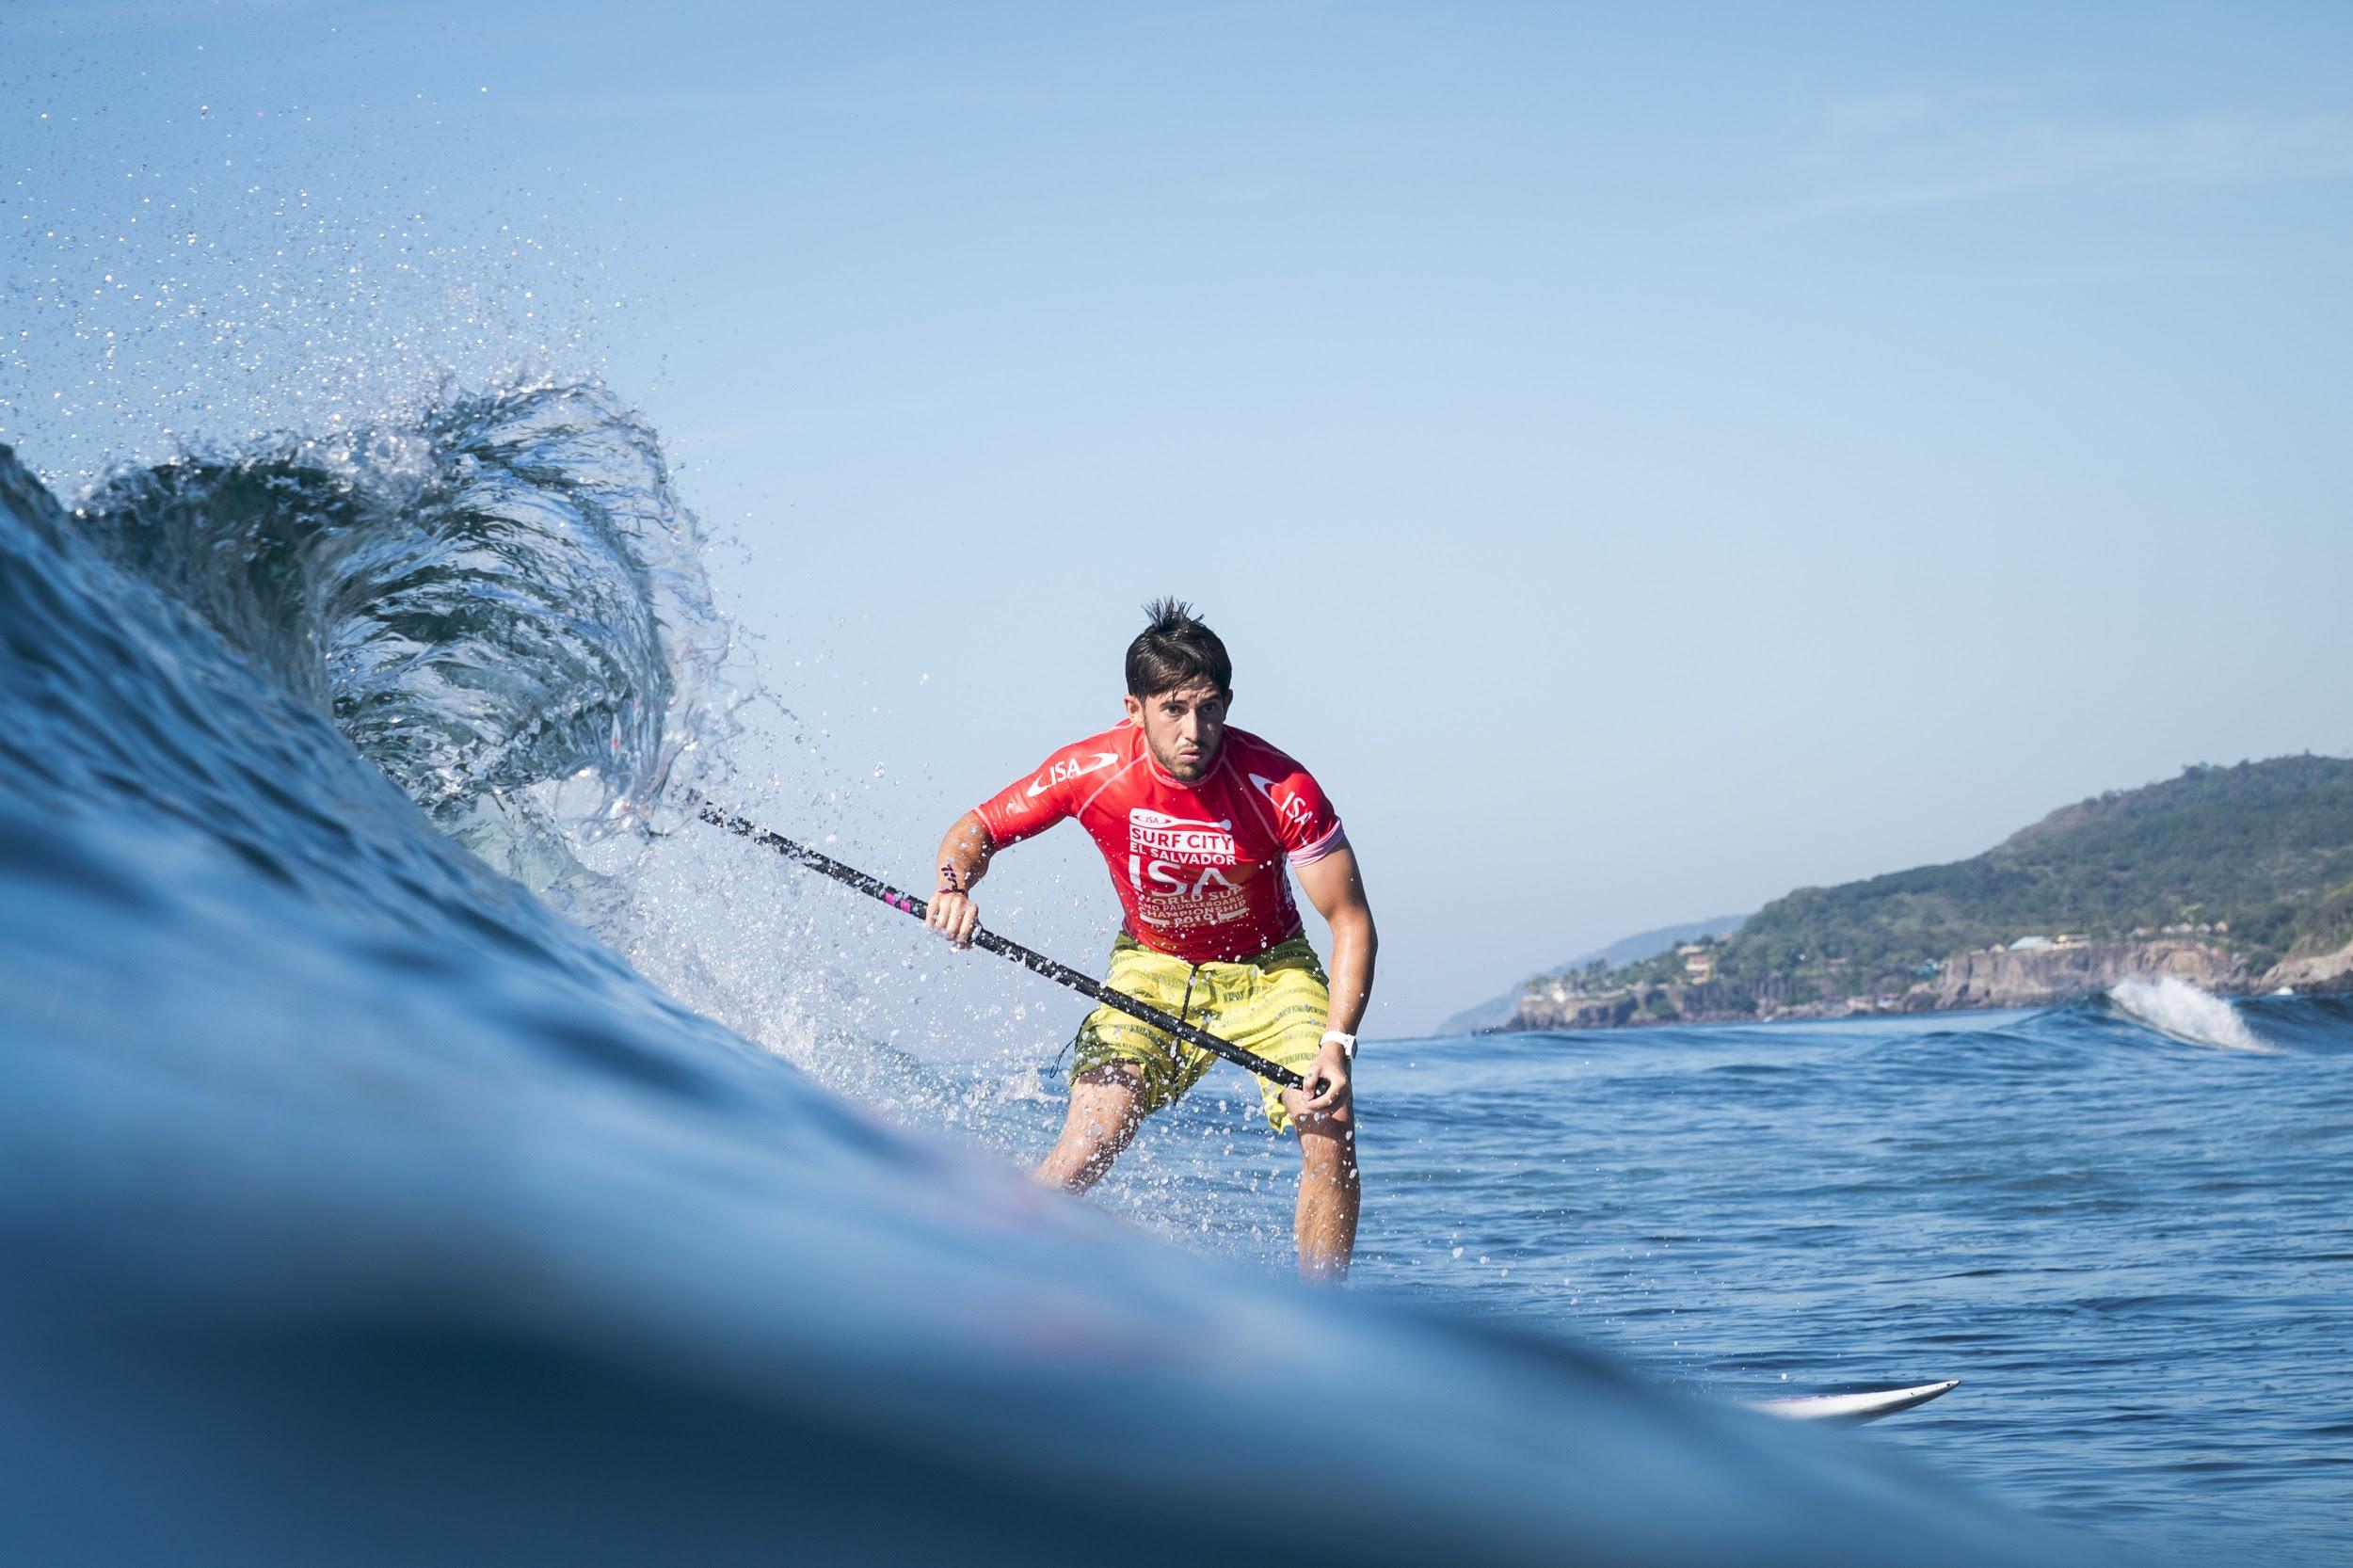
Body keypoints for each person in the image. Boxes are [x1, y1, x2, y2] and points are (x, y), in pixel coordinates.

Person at [924, 600, 1376, 1280]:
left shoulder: (1282, 787)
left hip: (1271, 971)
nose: (1194, 730)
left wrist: (1336, 1046)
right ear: (1133, 710)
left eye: (1208, 707)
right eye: (1172, 708)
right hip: (1151, 966)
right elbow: (976, 829)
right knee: (1089, 1140)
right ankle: (993, 1275)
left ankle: (1326, 1323)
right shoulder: (1092, 769)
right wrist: (954, 885)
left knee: (1328, 1128)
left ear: (1227, 703)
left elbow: (1350, 922)